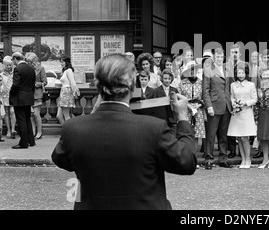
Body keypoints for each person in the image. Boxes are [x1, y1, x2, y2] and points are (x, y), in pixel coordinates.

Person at [51, 54, 197, 210]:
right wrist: (182, 117)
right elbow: (186, 163)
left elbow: (61, 159)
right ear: (132, 85)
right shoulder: (153, 128)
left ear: (98, 86)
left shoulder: (73, 128)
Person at [202, 48, 233, 169]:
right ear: (214, 58)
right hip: (214, 106)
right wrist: (208, 106)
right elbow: (205, 91)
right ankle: (209, 159)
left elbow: (229, 88)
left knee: (223, 134)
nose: (220, 59)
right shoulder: (208, 70)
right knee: (211, 134)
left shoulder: (227, 69)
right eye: (218, 57)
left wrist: (232, 102)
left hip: (226, 105)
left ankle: (223, 158)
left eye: (221, 57)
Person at [227, 64, 257, 169]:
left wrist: (245, 103)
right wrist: (234, 103)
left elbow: (254, 99)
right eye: (238, 73)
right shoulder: (233, 85)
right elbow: (231, 96)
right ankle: (243, 159)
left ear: (246, 73)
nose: (240, 75)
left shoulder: (251, 85)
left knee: (245, 137)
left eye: (242, 73)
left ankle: (248, 158)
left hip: (246, 112)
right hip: (237, 113)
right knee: (238, 137)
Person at [225, 44, 249, 159]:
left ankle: (242, 151)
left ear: (240, 53)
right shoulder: (225, 66)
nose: (234, 54)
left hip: (243, 97)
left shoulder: (245, 65)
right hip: (230, 97)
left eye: (236, 52)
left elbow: (249, 80)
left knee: (242, 124)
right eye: (232, 52)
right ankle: (232, 150)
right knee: (231, 124)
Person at [10, 52, 36, 149]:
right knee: (27, 119)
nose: (13, 62)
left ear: (15, 59)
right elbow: (32, 85)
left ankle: (23, 143)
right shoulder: (30, 69)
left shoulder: (18, 69)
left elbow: (16, 85)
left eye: (13, 60)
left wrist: (11, 93)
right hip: (28, 97)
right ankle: (31, 140)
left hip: (19, 98)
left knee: (21, 120)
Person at [179, 61, 206, 154]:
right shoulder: (182, 83)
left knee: (195, 134)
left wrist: (199, 105)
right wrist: (188, 105)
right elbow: (179, 97)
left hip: (198, 110)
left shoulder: (201, 83)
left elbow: (205, 97)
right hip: (186, 110)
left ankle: (194, 156)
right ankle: (186, 155)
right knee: (186, 133)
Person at [25, 52, 47, 140]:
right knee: (30, 114)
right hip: (29, 94)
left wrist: (35, 84)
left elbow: (45, 82)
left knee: (36, 114)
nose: (28, 63)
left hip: (37, 94)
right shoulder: (27, 69)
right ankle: (33, 131)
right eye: (27, 61)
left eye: (29, 61)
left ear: (34, 60)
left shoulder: (41, 68)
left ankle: (39, 132)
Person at [56, 55, 80, 124]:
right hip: (63, 93)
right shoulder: (65, 71)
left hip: (67, 93)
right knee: (59, 115)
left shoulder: (69, 71)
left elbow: (73, 83)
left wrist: (75, 92)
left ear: (67, 62)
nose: (61, 64)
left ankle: (69, 131)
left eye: (62, 62)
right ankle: (66, 130)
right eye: (60, 62)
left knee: (66, 115)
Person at [1, 56, 17, 139]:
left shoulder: (15, 74)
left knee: (13, 112)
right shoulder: (1, 75)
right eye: (7, 65)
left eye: (10, 65)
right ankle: (8, 130)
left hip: (13, 95)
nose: (9, 67)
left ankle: (13, 129)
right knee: (6, 113)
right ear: (4, 65)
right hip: (5, 96)